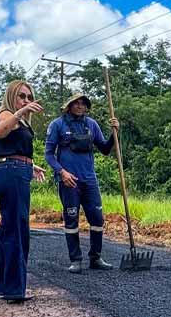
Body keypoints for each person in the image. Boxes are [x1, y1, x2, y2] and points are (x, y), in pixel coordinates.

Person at [44, 93, 118, 272]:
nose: (79, 106)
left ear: (86, 107)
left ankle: (96, 258)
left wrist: (115, 133)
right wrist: (62, 172)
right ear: (69, 106)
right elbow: (49, 154)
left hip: (89, 180)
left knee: (97, 219)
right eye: (76, 103)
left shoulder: (92, 124)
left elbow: (105, 149)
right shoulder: (57, 124)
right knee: (71, 220)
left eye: (83, 103)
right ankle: (75, 260)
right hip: (69, 181)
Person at [0, 80, 46, 303]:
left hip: (16, 170)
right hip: (11, 173)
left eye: (29, 97)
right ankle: (14, 289)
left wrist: (30, 166)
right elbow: (0, 132)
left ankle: (6, 286)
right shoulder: (6, 114)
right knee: (16, 230)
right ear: (11, 96)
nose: (26, 100)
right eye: (21, 96)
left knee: (11, 228)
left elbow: (12, 148)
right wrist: (21, 112)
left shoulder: (19, 121)